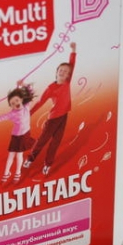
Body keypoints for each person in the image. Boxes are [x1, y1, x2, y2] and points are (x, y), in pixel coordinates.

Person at [22, 42, 76, 176]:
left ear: (68, 75)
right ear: (56, 72)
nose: (63, 72)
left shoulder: (67, 82)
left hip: (64, 116)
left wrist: (73, 50)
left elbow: (72, 64)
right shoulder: (51, 88)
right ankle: (30, 159)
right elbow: (40, 102)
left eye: (66, 71)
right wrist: (29, 113)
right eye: (61, 70)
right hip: (53, 119)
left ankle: (48, 164)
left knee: (56, 142)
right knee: (42, 141)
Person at [0, 85, 35, 184]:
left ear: (21, 99)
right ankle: (6, 174)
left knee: (19, 155)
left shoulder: (26, 106)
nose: (15, 104)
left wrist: (22, 84)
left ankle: (17, 173)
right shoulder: (12, 114)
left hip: (25, 135)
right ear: (11, 106)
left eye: (17, 100)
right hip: (16, 136)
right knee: (11, 155)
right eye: (12, 103)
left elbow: (30, 89)